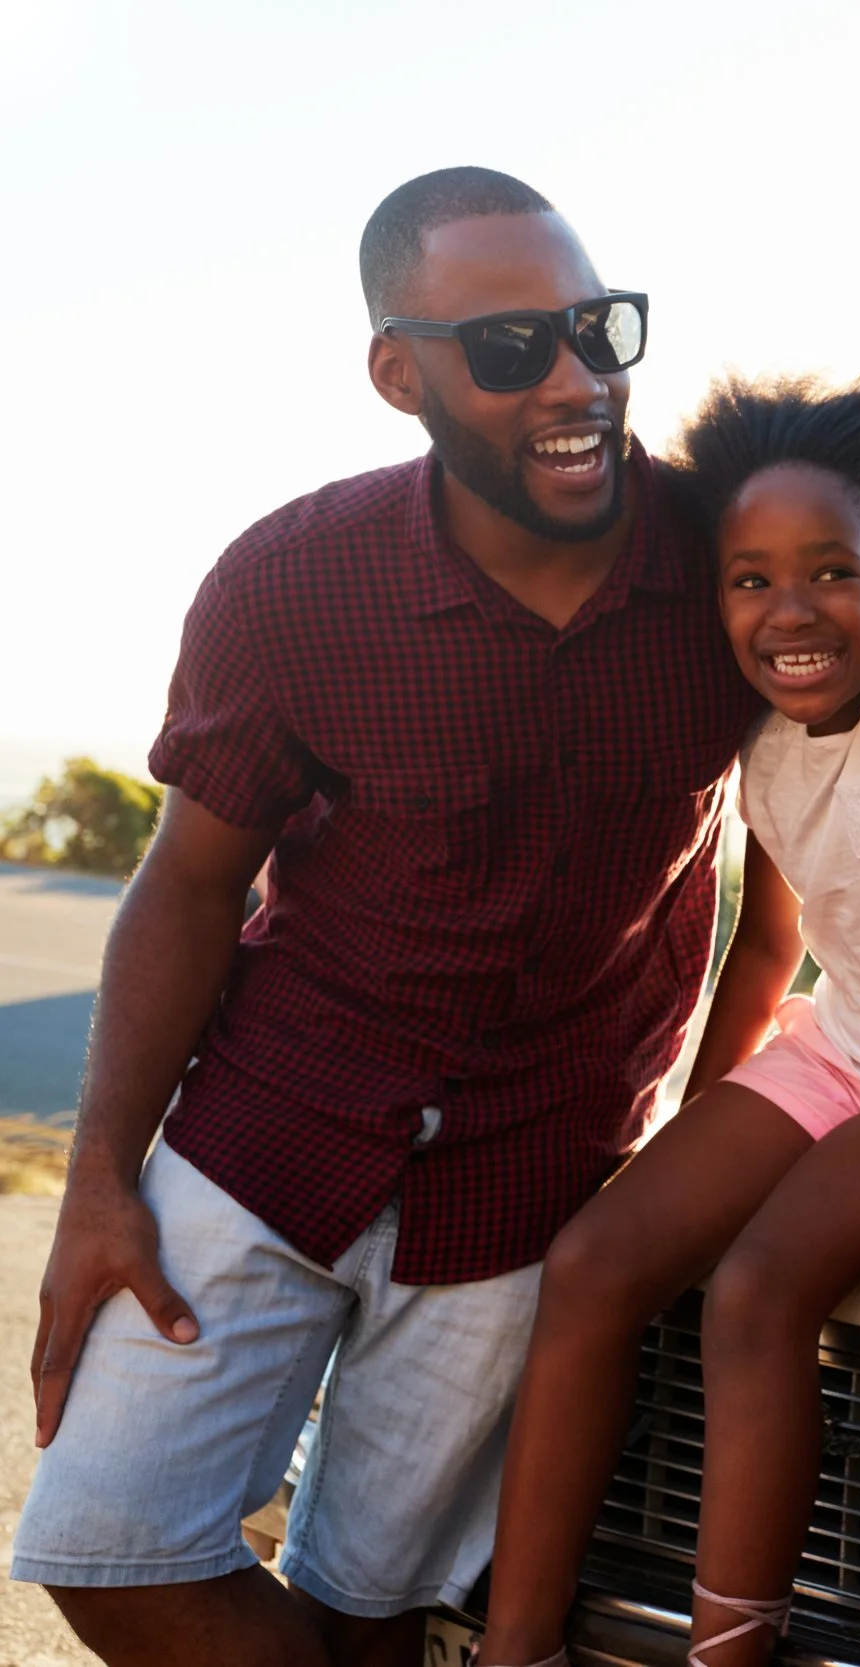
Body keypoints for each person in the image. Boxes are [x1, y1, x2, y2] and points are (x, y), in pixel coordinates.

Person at [12, 168, 757, 1667]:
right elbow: (190, 883)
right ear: (397, 372)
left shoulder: (730, 567)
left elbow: (789, 862)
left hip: (536, 1158)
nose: (576, 381)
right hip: (270, 1119)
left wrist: (702, 1126)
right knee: (107, 1547)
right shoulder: (290, 581)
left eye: (599, 331)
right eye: (511, 349)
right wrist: (99, 1174)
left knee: (379, 1606)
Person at [473, 377, 860, 1667]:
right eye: (749, 578)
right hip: (836, 1045)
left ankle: (726, 1648)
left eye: (830, 570)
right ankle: (516, 1644)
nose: (789, 609)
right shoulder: (766, 734)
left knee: (753, 1292)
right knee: (594, 1259)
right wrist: (693, 1135)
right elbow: (773, 941)